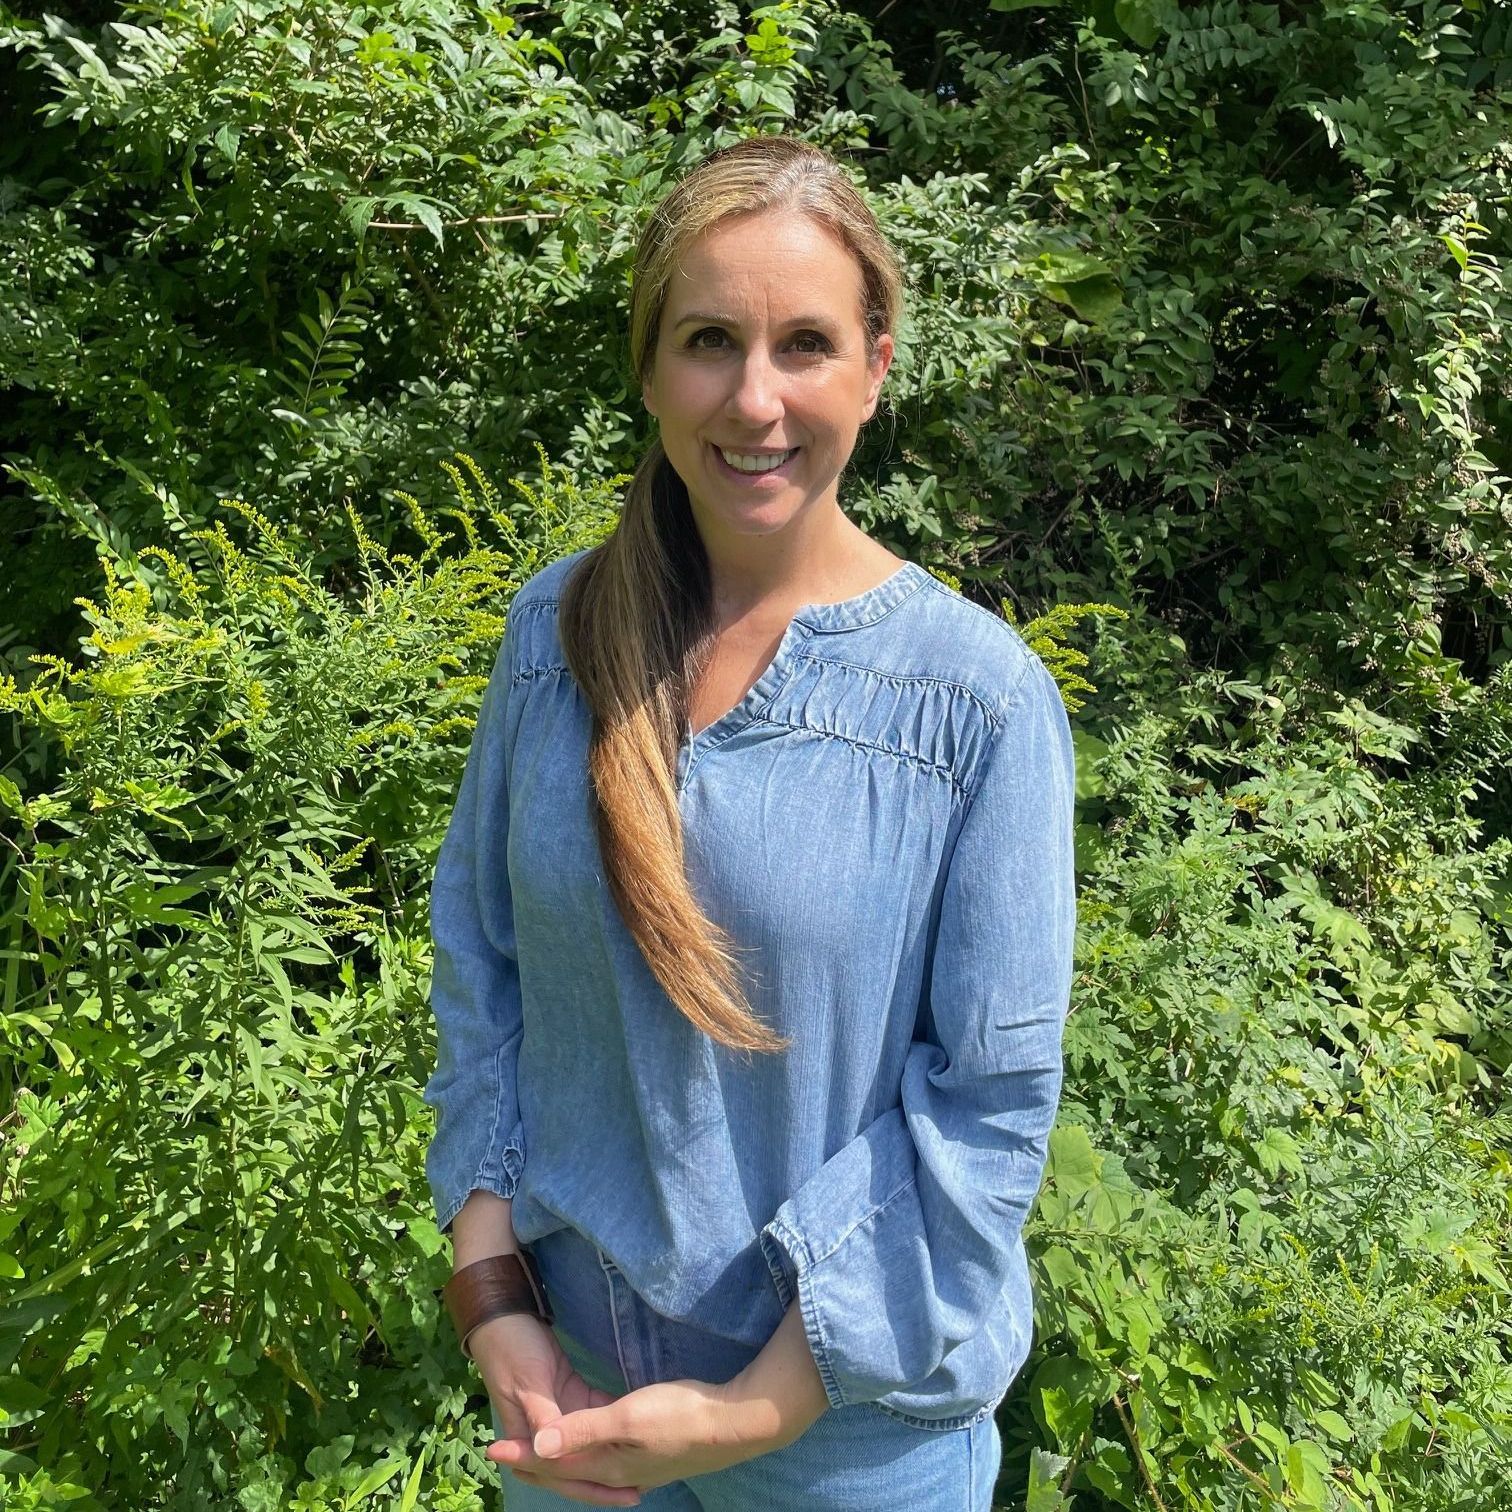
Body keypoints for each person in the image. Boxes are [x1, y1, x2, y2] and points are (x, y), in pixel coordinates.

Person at [422, 134, 1077, 1511]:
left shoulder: (977, 703)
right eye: (710, 340)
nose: (756, 399)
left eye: (806, 345)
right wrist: (491, 1291)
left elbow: (986, 1111)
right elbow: (481, 964)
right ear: (651, 367)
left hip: (849, 1439)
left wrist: (748, 1412)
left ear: (876, 368)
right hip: (569, 1392)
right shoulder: (552, 636)